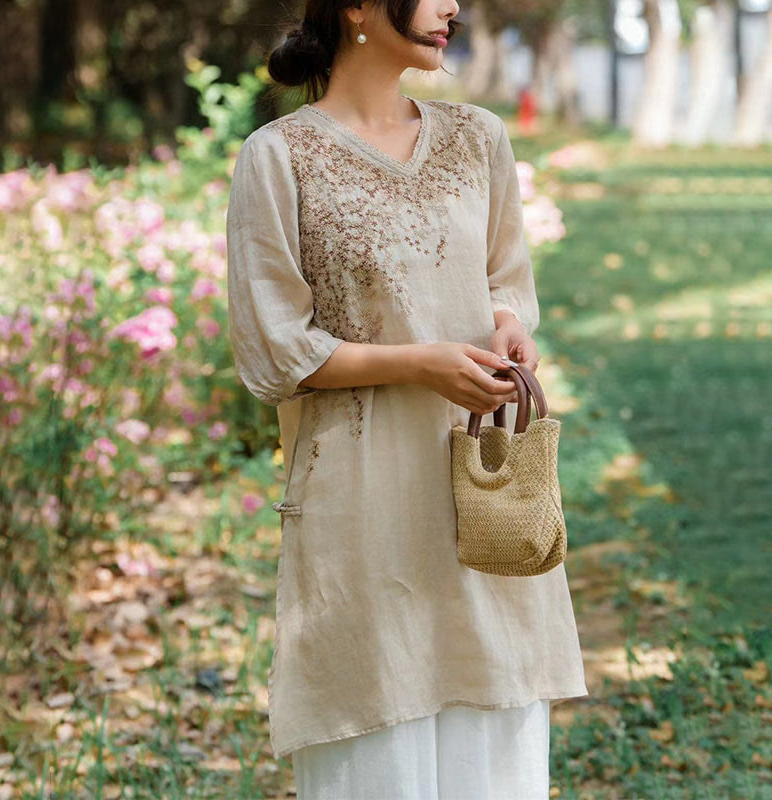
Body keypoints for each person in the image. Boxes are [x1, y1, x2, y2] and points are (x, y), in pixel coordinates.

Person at [226, 0, 589, 796]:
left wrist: (505, 325)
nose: (452, 5)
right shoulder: (279, 156)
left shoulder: (477, 138)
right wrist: (416, 363)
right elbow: (273, 349)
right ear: (356, 4)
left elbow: (505, 281)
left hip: (481, 485)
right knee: (376, 720)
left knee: (490, 717)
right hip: (360, 495)